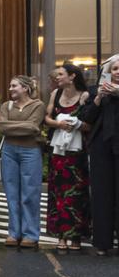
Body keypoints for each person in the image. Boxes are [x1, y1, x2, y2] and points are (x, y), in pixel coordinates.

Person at [0, 75, 45, 248]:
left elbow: (34, 127)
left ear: (26, 88)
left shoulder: (38, 105)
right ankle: (14, 233)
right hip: (9, 151)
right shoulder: (6, 105)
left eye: (14, 86)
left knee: (30, 193)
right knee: (11, 193)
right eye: (10, 86)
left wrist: (11, 126)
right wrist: (20, 126)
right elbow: (2, 127)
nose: (10, 89)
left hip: (31, 151)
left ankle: (31, 234)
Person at [42, 63, 92, 252]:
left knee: (77, 195)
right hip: (58, 152)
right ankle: (61, 235)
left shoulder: (84, 95)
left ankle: (76, 236)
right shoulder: (55, 95)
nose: (57, 77)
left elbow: (90, 123)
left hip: (77, 153)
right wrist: (58, 124)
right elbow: (46, 118)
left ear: (72, 77)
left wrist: (77, 124)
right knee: (58, 194)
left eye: (61, 74)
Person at [78, 54, 119, 255]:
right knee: (101, 194)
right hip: (101, 146)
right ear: (109, 72)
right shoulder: (95, 91)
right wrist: (97, 99)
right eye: (115, 69)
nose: (118, 72)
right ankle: (102, 242)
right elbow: (85, 118)